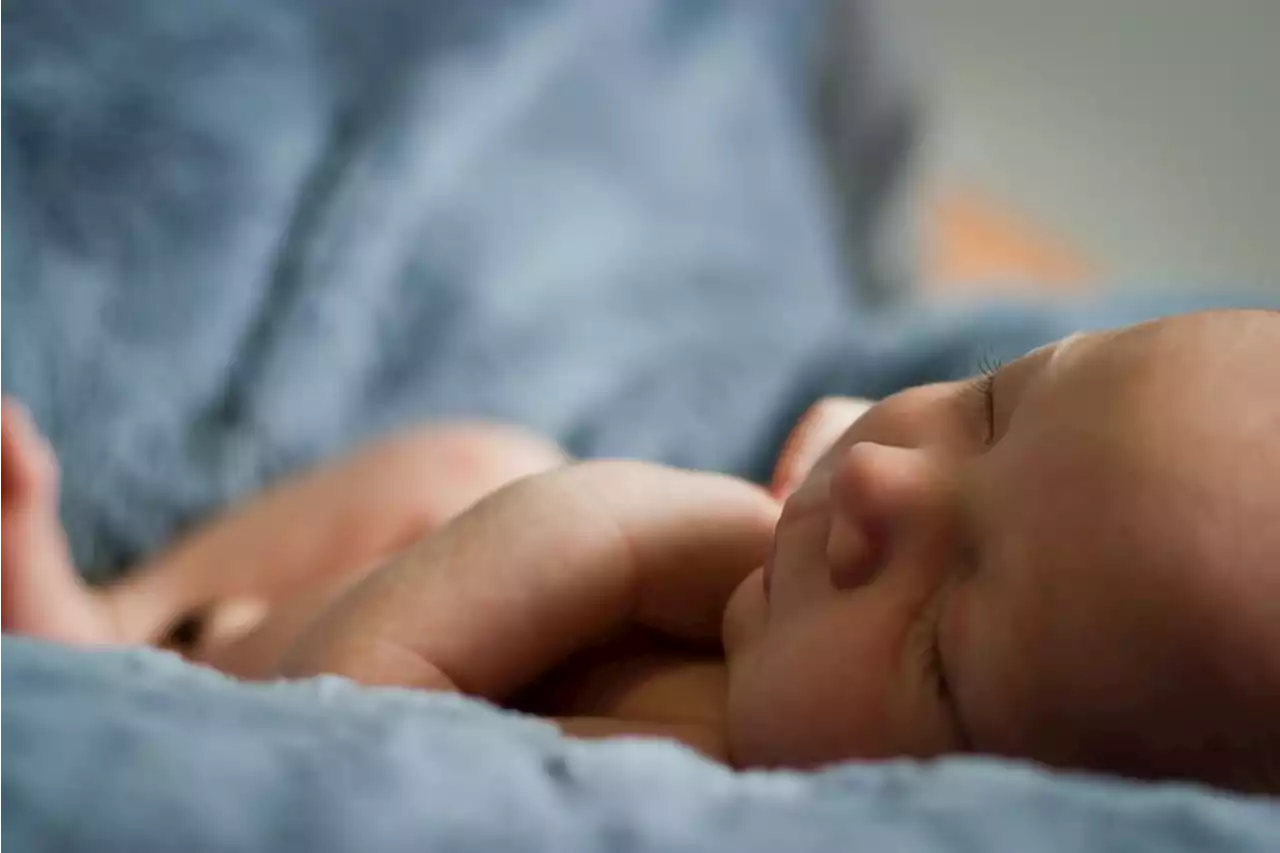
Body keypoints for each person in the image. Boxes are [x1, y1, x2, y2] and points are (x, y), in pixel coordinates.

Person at [4, 308, 1279, 794]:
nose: (887, 481)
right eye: (994, 400)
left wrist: (327, 752)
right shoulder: (744, 564)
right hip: (259, 640)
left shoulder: (704, 794)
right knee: (479, 466)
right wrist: (341, 699)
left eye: (940, 638)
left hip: (242, 737)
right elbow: (581, 524)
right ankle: (115, 613)